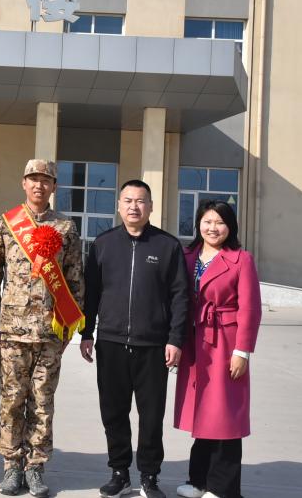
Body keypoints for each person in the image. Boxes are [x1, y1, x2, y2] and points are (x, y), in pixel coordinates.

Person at [79, 179, 190, 498]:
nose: (133, 206)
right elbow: (92, 293)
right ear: (118, 205)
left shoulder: (167, 246)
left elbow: (181, 296)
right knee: (113, 412)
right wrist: (87, 332)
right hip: (111, 343)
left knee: (152, 415)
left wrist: (176, 338)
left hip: (154, 345)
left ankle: (150, 476)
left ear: (151, 206)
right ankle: (119, 472)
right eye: (127, 200)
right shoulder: (103, 244)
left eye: (140, 201)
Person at [0, 159, 85, 497]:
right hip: (13, 331)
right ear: (23, 183)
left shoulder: (65, 228)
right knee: (12, 400)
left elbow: (75, 277)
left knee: (43, 401)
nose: (39, 185)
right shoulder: (5, 224)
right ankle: (11, 466)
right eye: (33, 179)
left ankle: (36, 466)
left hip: (49, 331)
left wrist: (70, 326)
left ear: (54, 187)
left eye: (46, 180)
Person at [173, 201, 261, 498]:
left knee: (225, 415)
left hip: (224, 342)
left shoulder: (240, 259)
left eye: (220, 222)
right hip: (194, 343)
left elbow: (250, 308)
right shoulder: (187, 256)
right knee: (203, 414)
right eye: (207, 221)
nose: (213, 228)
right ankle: (198, 481)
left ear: (230, 227)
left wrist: (242, 351)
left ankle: (224, 489)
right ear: (198, 223)